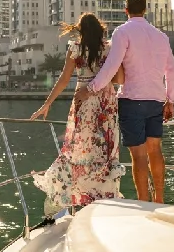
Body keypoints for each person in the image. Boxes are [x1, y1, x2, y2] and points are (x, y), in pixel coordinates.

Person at [74, 0, 174, 204]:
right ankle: (159, 200)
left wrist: (91, 88)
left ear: (126, 10)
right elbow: (171, 70)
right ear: (145, 10)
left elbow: (112, 65)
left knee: (139, 156)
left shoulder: (123, 32)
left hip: (132, 100)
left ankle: (144, 202)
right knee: (155, 150)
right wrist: (171, 100)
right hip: (157, 101)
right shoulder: (161, 36)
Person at [30, 13, 126, 220]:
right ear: (100, 29)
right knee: (105, 150)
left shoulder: (75, 48)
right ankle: (104, 197)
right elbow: (119, 79)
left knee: (79, 149)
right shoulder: (110, 48)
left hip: (83, 102)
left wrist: (47, 104)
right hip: (106, 103)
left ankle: (74, 195)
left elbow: (64, 80)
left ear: (81, 30)